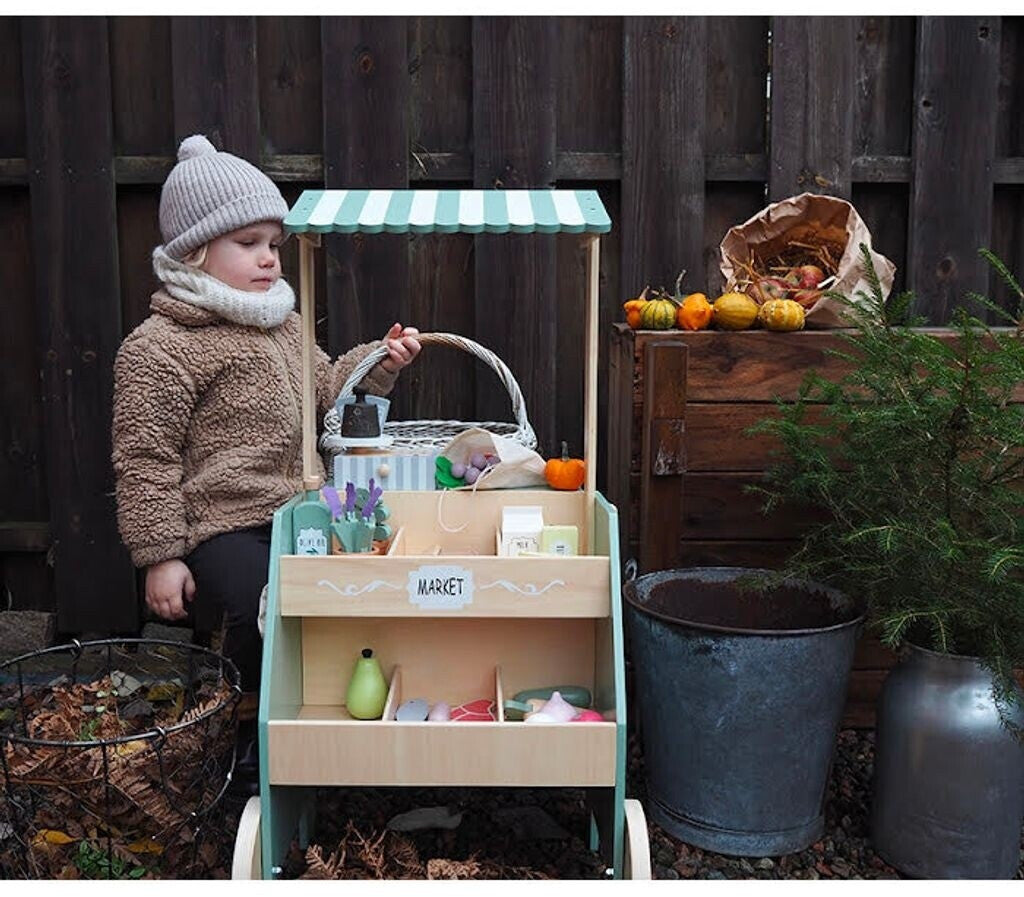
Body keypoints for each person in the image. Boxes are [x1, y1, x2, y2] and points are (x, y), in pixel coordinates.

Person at [111, 134, 420, 791]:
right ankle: (249, 735)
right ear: (195, 250)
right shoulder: (163, 346)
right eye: (248, 243)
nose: (269, 260)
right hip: (222, 526)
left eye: (275, 245)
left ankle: (331, 719)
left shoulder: (280, 324)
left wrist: (377, 361)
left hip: (297, 510)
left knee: (344, 590)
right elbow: (145, 454)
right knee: (271, 601)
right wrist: (160, 554)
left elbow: (327, 386)